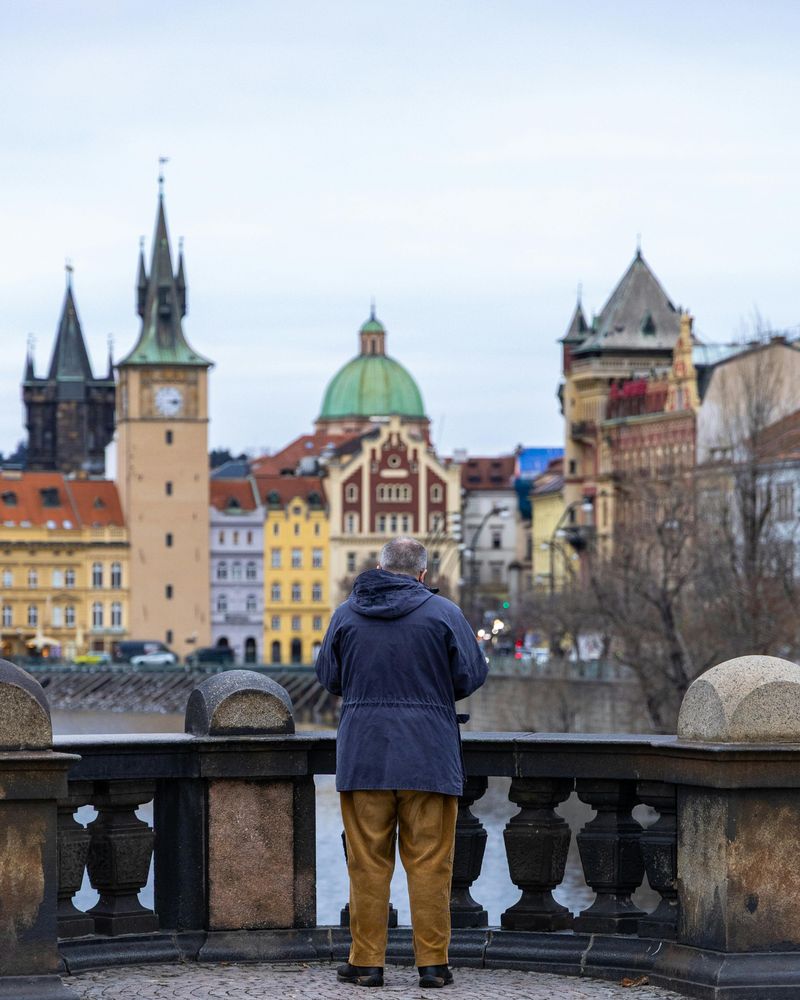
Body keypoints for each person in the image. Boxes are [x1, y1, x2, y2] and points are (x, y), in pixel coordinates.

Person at [316, 536, 488, 989]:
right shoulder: (444, 613)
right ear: (423, 575)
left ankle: (366, 963)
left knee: (367, 863)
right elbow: (471, 675)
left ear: (380, 566)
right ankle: (433, 965)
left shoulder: (346, 614)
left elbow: (329, 678)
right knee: (431, 863)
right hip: (428, 755)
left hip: (365, 754)